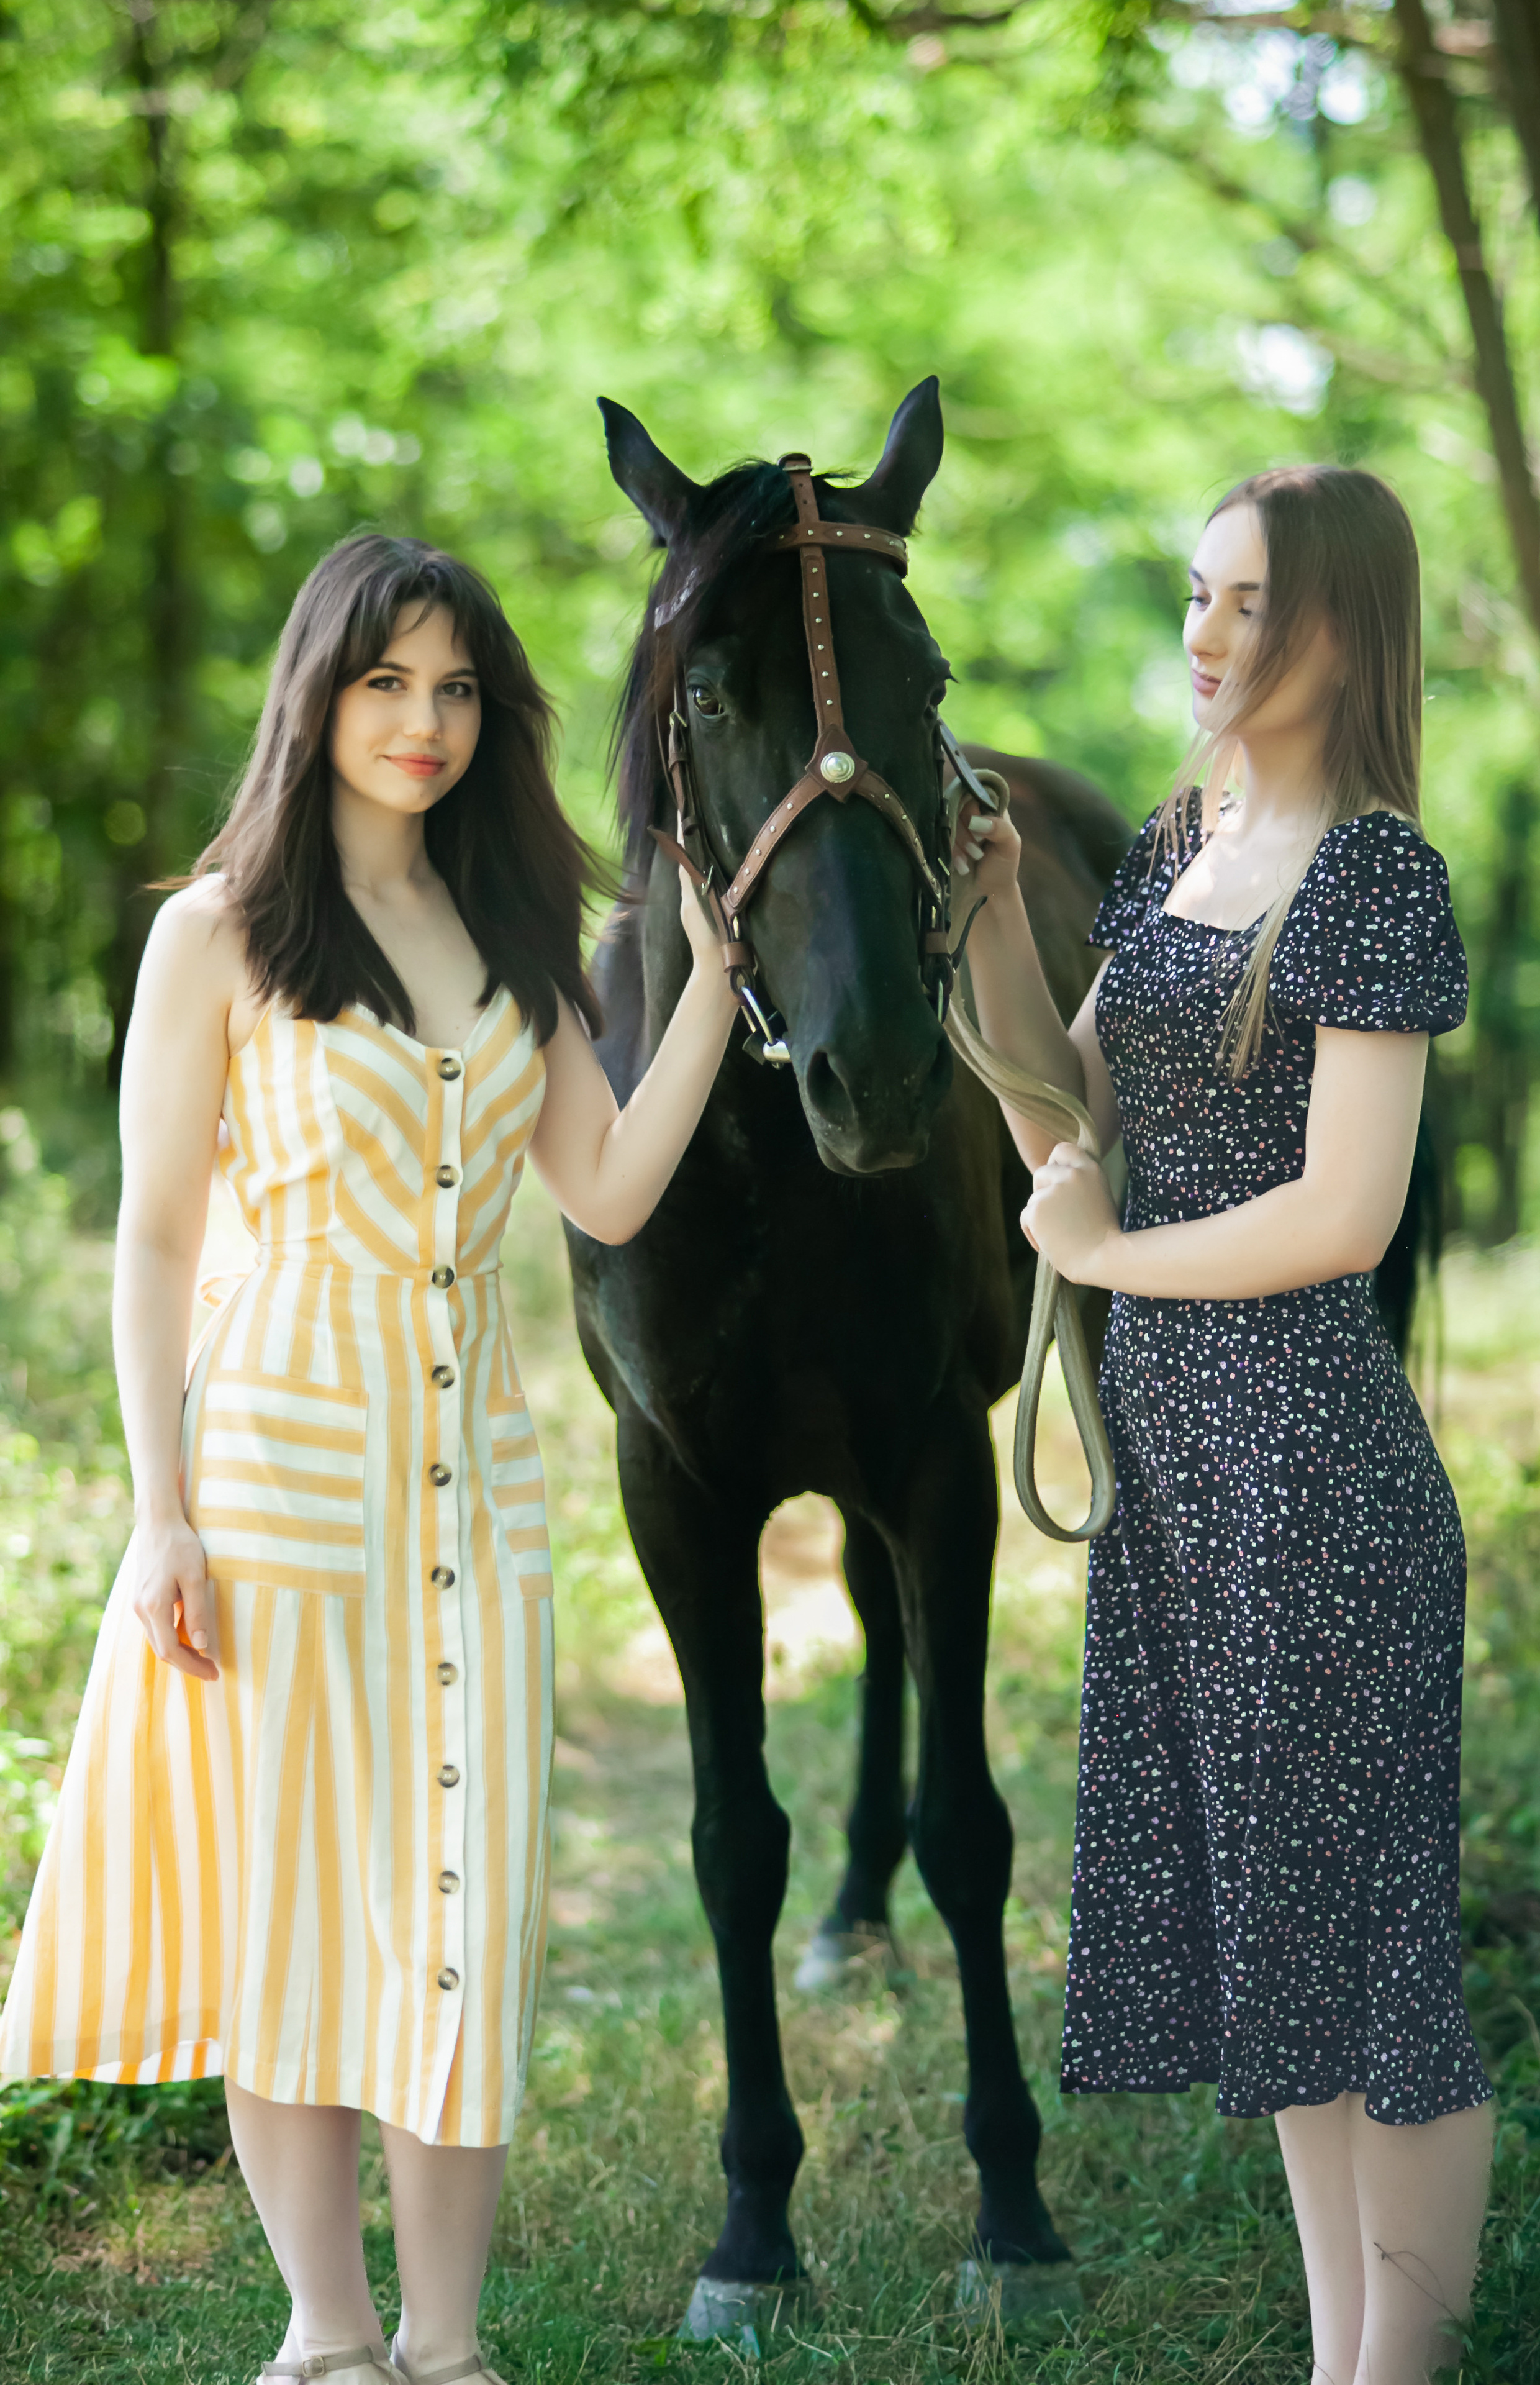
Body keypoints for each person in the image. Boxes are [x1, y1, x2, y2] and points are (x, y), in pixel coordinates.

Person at [0, 535, 738, 2385]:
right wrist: (159, 1511)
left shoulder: (511, 933)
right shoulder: (219, 932)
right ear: (319, 692)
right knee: (297, 1909)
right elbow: (157, 1238)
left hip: (476, 1481)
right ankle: (328, 2338)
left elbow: (609, 1187)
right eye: (388, 682)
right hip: (273, 1470)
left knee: (459, 1904)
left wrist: (713, 980)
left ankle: (452, 2345)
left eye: (459, 689)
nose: (424, 722)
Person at [955, 467, 1492, 2385]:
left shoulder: (1375, 872)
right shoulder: (1188, 840)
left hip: (1320, 1493)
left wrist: (1109, 1255)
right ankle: (1348, 2360)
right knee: (1284, 1981)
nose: (1207, 636)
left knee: (1378, 1992)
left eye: (1250, 604)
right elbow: (1061, 1123)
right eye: (1199, 595)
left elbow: (1344, 1219)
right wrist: (1001, 918)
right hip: (1185, 1495)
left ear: (1343, 626)